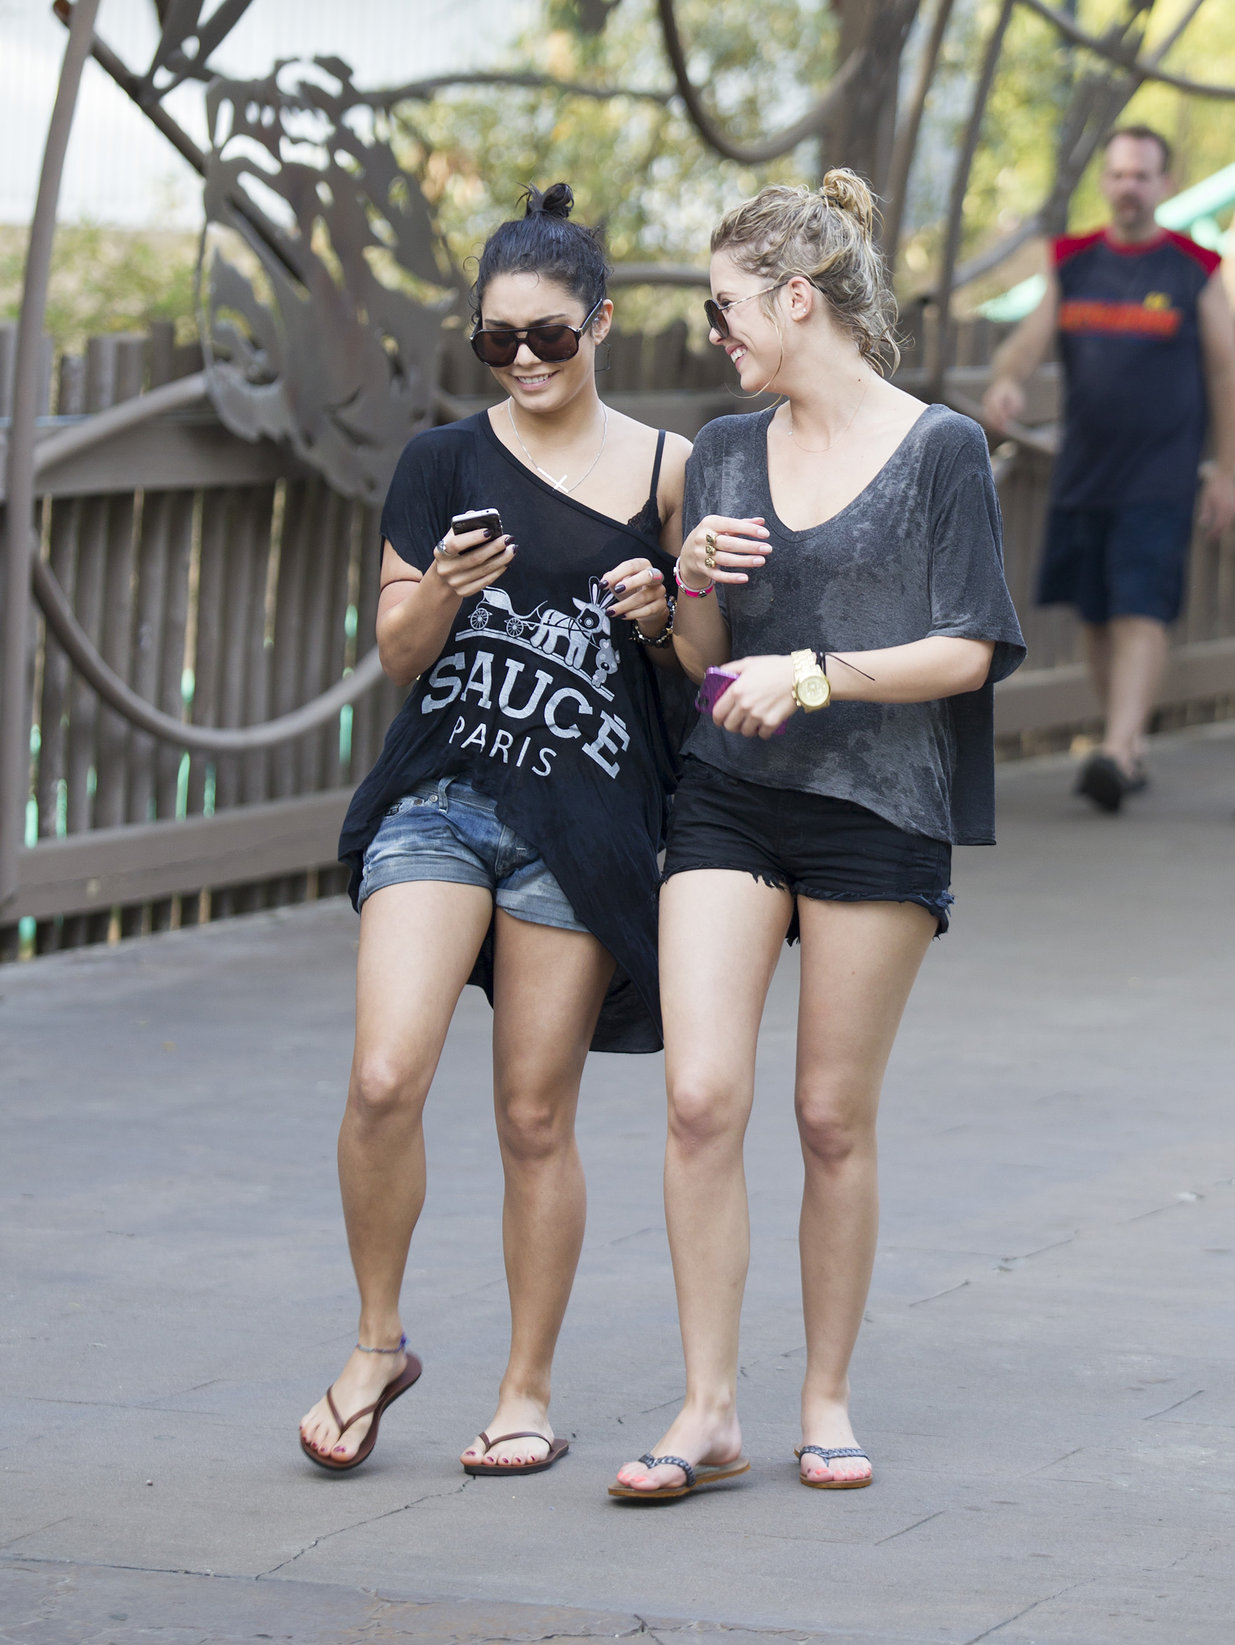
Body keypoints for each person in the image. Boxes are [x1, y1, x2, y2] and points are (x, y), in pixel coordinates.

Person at [609, 172, 1025, 1502]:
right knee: (696, 1098)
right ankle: (705, 1408)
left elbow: (968, 649)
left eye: (726, 306)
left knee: (828, 1116)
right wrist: (685, 587)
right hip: (728, 793)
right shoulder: (724, 448)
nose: (712, 332)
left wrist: (822, 674)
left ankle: (825, 1399)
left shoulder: (939, 449)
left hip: (875, 810)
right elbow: (703, 664)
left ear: (797, 299)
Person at [299, 183, 689, 1477]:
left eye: (549, 337)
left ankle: (524, 1390)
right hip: (443, 793)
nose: (524, 361)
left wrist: (661, 611)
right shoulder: (438, 463)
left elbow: (702, 659)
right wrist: (446, 592)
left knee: (532, 1114)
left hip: (580, 816)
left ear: (602, 325)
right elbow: (399, 652)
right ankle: (374, 1341)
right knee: (381, 1075)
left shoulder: (664, 470)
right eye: (498, 341)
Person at [983, 125, 1235, 812]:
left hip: (1160, 472)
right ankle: (1125, 742)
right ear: (1107, 181)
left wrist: (1225, 469)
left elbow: (1224, 368)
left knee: (1138, 607)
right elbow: (1026, 344)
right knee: (1095, 613)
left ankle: (1118, 749)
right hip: (1084, 471)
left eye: (1142, 176)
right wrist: (1007, 381)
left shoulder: (1193, 267)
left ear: (1165, 185)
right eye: (1118, 175)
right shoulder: (1073, 262)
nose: (1128, 187)